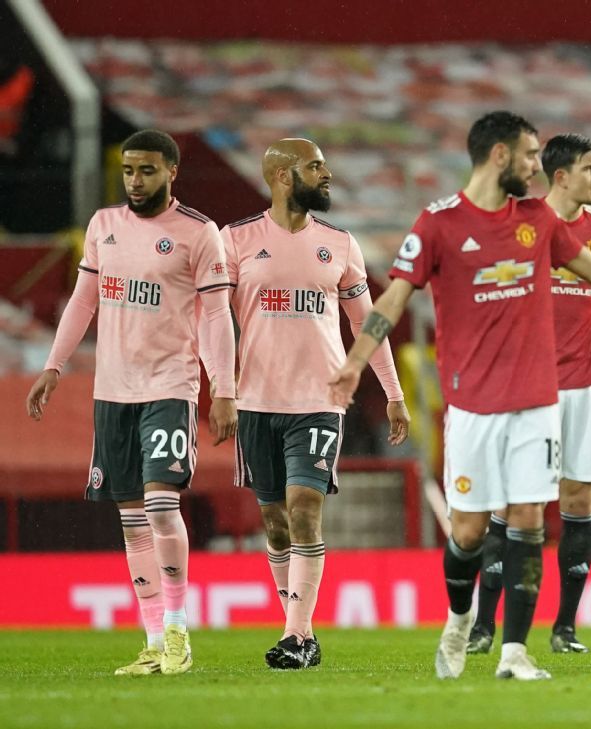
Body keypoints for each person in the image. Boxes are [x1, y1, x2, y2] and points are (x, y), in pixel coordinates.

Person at [328, 111, 591, 681]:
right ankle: (460, 619)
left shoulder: (538, 220)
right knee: (469, 532)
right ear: (499, 155)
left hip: (537, 401)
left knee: (529, 516)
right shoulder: (439, 224)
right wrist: (356, 362)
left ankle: (515, 652)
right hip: (473, 405)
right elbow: (393, 299)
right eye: (529, 155)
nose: (536, 167)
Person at [26, 129, 237, 675]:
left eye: (147, 170)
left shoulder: (198, 233)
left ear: (172, 172)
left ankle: (178, 632)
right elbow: (83, 300)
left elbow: (217, 316)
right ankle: (153, 642)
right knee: (133, 521)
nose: (135, 181)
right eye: (128, 171)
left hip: (169, 385)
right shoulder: (103, 225)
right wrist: (53, 365)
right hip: (112, 391)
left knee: (162, 504)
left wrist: (225, 389)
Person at [219, 138, 410, 669]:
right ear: (283, 175)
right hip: (257, 402)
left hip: (319, 401)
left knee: (304, 507)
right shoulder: (235, 240)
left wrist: (393, 393)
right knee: (275, 522)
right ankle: (298, 631)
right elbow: (211, 320)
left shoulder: (339, 244)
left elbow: (367, 323)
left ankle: (297, 635)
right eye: (316, 167)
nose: (326, 175)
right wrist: (220, 388)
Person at [467, 133, 591, 656]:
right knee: (511, 505)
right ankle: (483, 626)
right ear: (561, 176)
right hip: (527, 386)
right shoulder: (516, 221)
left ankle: (565, 628)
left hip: (589, 384)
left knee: (579, 502)